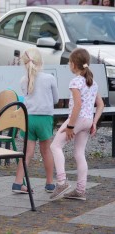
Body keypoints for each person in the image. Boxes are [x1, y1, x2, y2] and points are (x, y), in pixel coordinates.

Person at [49, 48, 104, 201]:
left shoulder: (75, 82)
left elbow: (77, 105)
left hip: (77, 119)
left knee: (55, 146)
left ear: (73, 64)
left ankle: (61, 182)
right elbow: (100, 104)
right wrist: (94, 122)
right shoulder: (92, 82)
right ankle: (80, 190)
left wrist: (71, 126)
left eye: (69, 62)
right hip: (87, 120)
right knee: (79, 153)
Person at [12, 48, 59, 194]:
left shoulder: (23, 80)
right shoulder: (49, 78)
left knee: (26, 152)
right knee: (46, 151)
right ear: (41, 62)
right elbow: (56, 100)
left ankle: (18, 183)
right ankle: (50, 183)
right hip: (44, 119)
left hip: (28, 119)